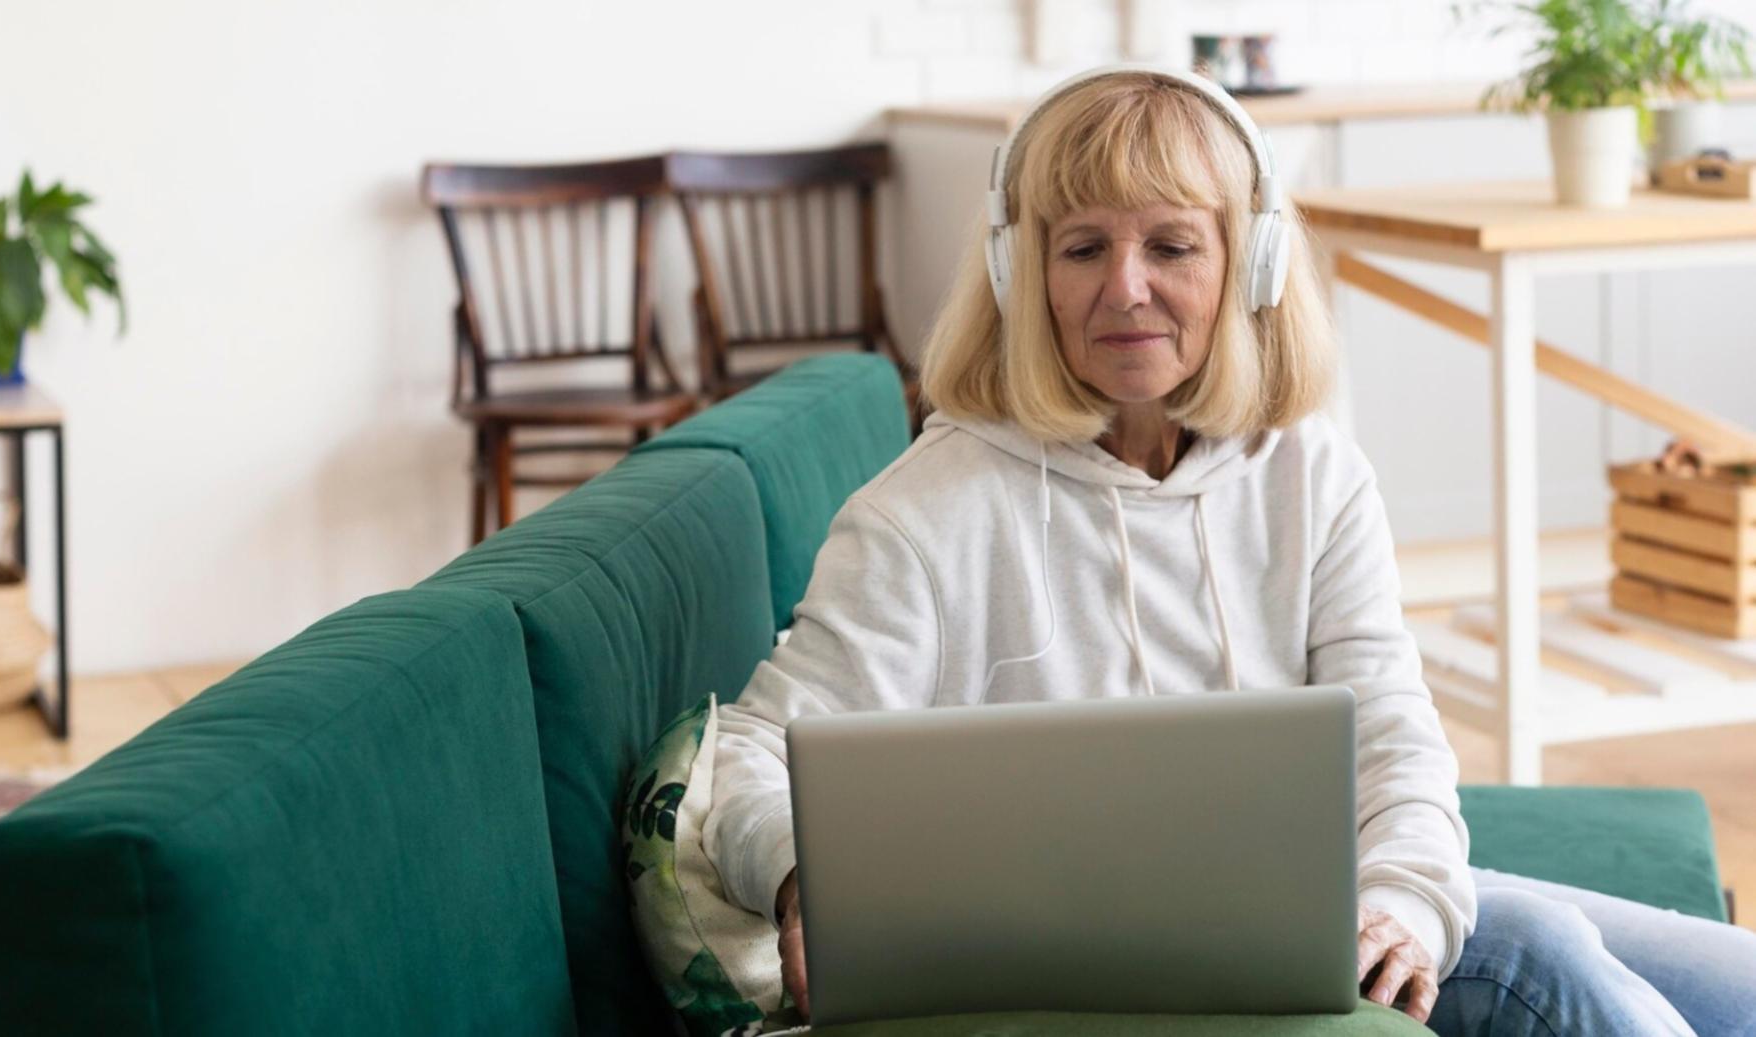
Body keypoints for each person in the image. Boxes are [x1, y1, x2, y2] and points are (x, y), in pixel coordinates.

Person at [702, 64, 1756, 1035]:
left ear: (1248, 261)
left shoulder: (1312, 472)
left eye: (1170, 244)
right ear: (1020, 273)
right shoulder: (924, 513)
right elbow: (748, 754)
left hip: (1317, 915)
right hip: (1093, 956)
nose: (1125, 287)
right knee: (1545, 960)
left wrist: (1401, 901)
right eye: (1081, 247)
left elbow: (1391, 728)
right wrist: (805, 875)